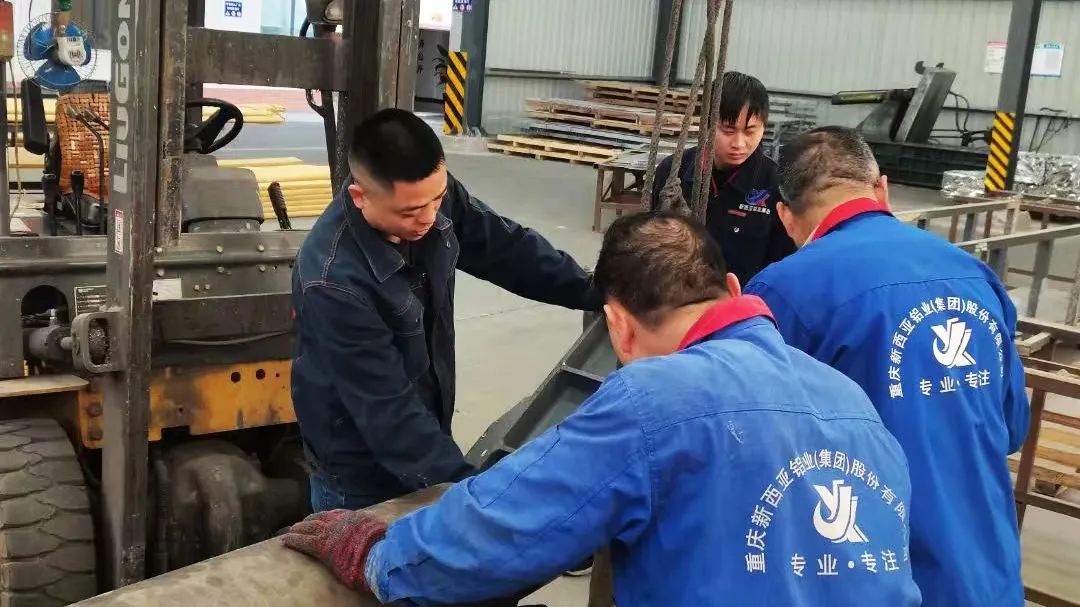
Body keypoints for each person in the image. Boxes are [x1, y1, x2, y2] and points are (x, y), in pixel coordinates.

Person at [283, 212, 921, 607]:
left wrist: (381, 556)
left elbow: (508, 529)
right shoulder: (849, 399)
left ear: (616, 325)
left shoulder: (656, 399)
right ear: (732, 288)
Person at [744, 126, 1029, 607]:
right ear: (882, 188)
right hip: (986, 571)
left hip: (868, 574)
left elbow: (752, 449)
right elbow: (1012, 425)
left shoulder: (782, 292)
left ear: (786, 216)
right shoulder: (974, 274)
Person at [291, 109, 600, 512]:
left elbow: (506, 249)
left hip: (425, 428)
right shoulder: (333, 282)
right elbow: (388, 412)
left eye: (437, 199)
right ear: (359, 197)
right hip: (359, 474)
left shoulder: (429, 197)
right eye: (409, 212)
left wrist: (595, 291)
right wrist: (476, 494)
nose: (430, 218)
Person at [650, 71, 795, 285]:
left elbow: (783, 268)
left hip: (742, 300)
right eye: (728, 130)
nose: (739, 143)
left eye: (750, 131)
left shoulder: (775, 185)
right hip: (678, 295)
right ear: (707, 124)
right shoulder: (673, 172)